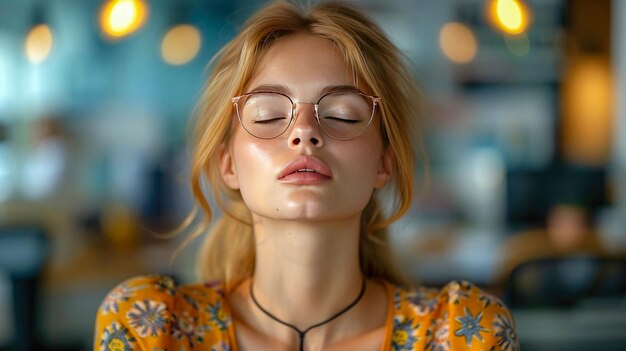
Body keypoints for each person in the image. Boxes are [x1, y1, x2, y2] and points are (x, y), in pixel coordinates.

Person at [94, 1, 519, 350]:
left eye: (342, 115)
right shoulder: (150, 328)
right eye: (269, 115)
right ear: (227, 164)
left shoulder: (463, 334)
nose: (305, 133)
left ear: (384, 163)